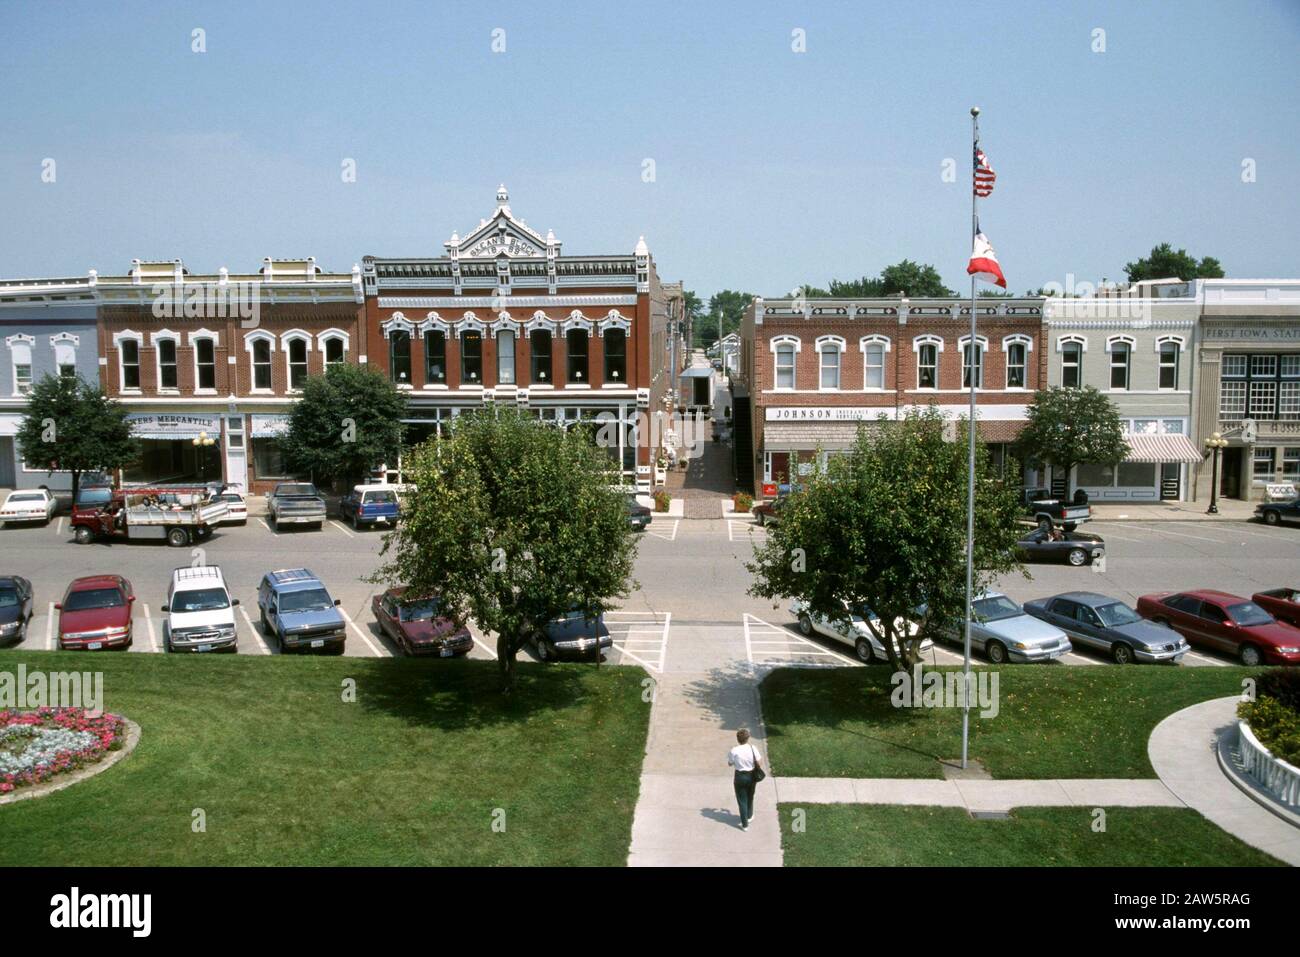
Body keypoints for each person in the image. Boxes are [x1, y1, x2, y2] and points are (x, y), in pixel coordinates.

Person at [727, 728, 764, 831]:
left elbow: (730, 763)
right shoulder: (753, 748)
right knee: (750, 795)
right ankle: (749, 815)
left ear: (738, 739)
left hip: (739, 776)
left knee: (742, 800)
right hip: (752, 775)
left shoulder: (734, 750)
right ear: (748, 738)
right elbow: (760, 762)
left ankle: (745, 824)